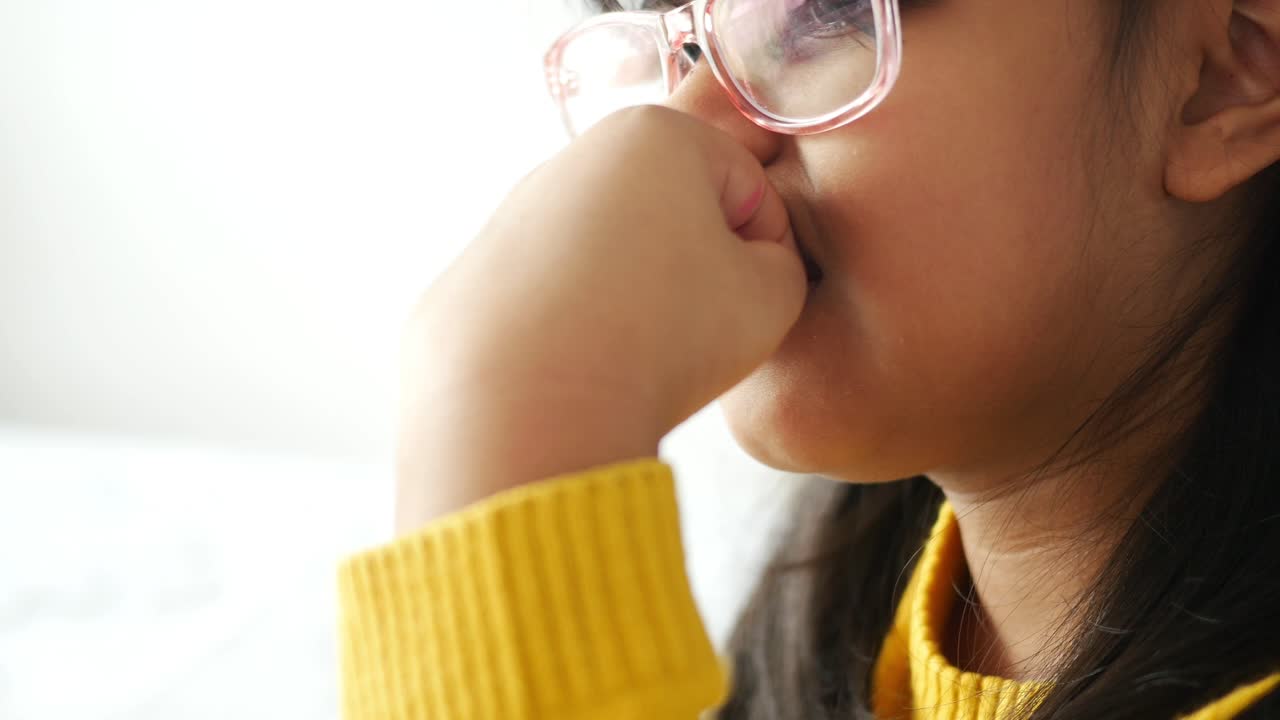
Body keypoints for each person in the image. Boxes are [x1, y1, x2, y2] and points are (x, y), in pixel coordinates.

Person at [337, 0, 1280, 716]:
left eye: (818, 16)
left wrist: (519, 414)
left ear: (1222, 80)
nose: (693, 127)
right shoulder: (844, 631)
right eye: (680, 43)